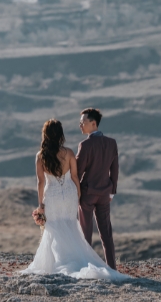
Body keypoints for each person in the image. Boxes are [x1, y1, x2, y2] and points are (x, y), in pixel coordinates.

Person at [21, 119, 128, 280]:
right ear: (60, 135)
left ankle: (57, 262)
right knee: (70, 225)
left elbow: (41, 182)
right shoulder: (69, 152)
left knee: (54, 227)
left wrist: (41, 204)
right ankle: (76, 259)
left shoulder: (40, 156)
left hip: (52, 195)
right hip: (69, 194)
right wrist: (78, 194)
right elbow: (75, 176)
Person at [76, 108, 120, 270]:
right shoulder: (111, 143)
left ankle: (87, 267)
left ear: (93, 123)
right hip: (105, 194)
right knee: (106, 233)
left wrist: (75, 192)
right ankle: (112, 267)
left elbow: (78, 172)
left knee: (86, 233)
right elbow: (114, 170)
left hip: (87, 194)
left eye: (83, 122)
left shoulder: (85, 145)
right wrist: (112, 191)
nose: (80, 125)